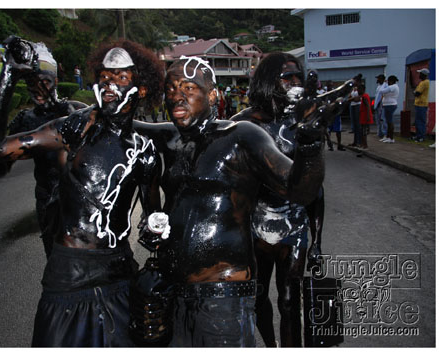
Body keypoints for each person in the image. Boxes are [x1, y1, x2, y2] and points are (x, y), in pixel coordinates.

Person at [0, 39, 165, 347]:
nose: (109, 84)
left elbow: (153, 217)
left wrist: (156, 232)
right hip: (68, 277)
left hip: (118, 275)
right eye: (104, 76)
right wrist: (10, 73)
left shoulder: (143, 152)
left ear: (141, 89)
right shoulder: (75, 128)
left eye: (121, 77)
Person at [134, 56, 333, 347]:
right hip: (172, 292)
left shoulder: (241, 135)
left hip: (223, 296)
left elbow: (299, 189)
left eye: (188, 87)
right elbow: (124, 123)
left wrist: (311, 143)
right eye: (171, 88)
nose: (177, 95)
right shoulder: (168, 138)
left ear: (212, 94)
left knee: (289, 301)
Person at [230, 52, 346, 347]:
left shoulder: (306, 121)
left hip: (294, 228)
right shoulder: (242, 125)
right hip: (255, 229)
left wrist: (317, 241)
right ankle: (271, 347)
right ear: (269, 81)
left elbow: (315, 189)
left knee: (290, 300)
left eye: (298, 76)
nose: (294, 82)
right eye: (287, 77)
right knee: (256, 298)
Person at [0, 37, 88, 259]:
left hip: (81, 203)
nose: (37, 90)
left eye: (44, 83)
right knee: (56, 262)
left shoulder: (76, 112)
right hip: (47, 203)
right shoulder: (25, 120)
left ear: (56, 80)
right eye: (31, 84)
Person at [325, 80, 346, 151]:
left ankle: (339, 145)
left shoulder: (335, 93)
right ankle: (330, 144)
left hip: (336, 114)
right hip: (328, 115)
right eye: (328, 86)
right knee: (328, 131)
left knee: (338, 130)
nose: (330, 87)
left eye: (331, 85)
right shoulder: (325, 94)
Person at [379, 75, 400, 143]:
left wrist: (384, 84)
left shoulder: (393, 87)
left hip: (390, 105)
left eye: (388, 81)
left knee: (390, 122)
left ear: (391, 81)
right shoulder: (392, 87)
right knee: (388, 122)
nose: (387, 82)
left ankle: (391, 138)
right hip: (388, 105)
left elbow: (381, 91)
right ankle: (388, 137)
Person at [413, 68, 430, 142]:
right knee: (419, 121)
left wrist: (415, 92)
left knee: (420, 121)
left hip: (421, 104)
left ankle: (421, 136)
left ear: (423, 75)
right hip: (420, 104)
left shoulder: (424, 83)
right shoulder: (424, 82)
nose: (419, 75)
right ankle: (418, 135)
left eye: (420, 74)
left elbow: (417, 93)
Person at [348, 74, 363, 147]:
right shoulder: (352, 88)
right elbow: (350, 97)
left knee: (358, 124)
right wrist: (352, 99)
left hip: (358, 106)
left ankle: (359, 141)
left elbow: (358, 98)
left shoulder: (361, 87)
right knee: (354, 125)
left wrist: (351, 99)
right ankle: (355, 141)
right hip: (352, 105)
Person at [358, 84, 374, 150]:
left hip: (365, 116)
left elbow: (368, 106)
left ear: (363, 89)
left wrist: (368, 116)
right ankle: (362, 144)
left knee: (363, 131)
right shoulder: (363, 96)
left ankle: (365, 145)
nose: (358, 91)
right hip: (363, 116)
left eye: (359, 89)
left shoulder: (364, 97)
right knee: (362, 131)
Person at [374, 74, 388, 139]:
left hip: (382, 104)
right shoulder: (379, 86)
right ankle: (379, 133)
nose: (377, 80)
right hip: (377, 104)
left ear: (382, 79)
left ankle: (385, 133)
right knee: (378, 120)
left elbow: (383, 95)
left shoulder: (385, 85)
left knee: (383, 119)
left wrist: (380, 104)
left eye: (378, 78)